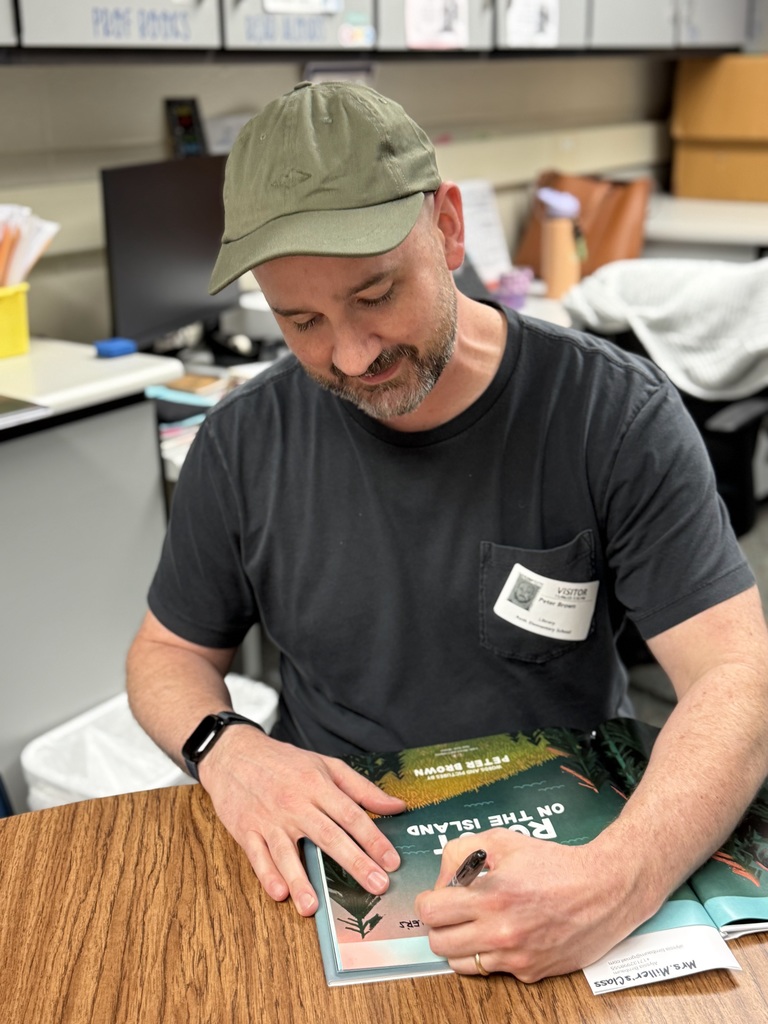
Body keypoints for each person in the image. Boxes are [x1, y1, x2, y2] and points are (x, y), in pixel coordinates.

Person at [126, 81, 768, 983]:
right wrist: (225, 749)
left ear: (449, 228)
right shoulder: (242, 443)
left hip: (576, 841)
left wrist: (613, 882)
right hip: (346, 864)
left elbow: (737, 680)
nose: (350, 356)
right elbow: (164, 653)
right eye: (300, 320)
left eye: (376, 294)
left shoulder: (612, 416)